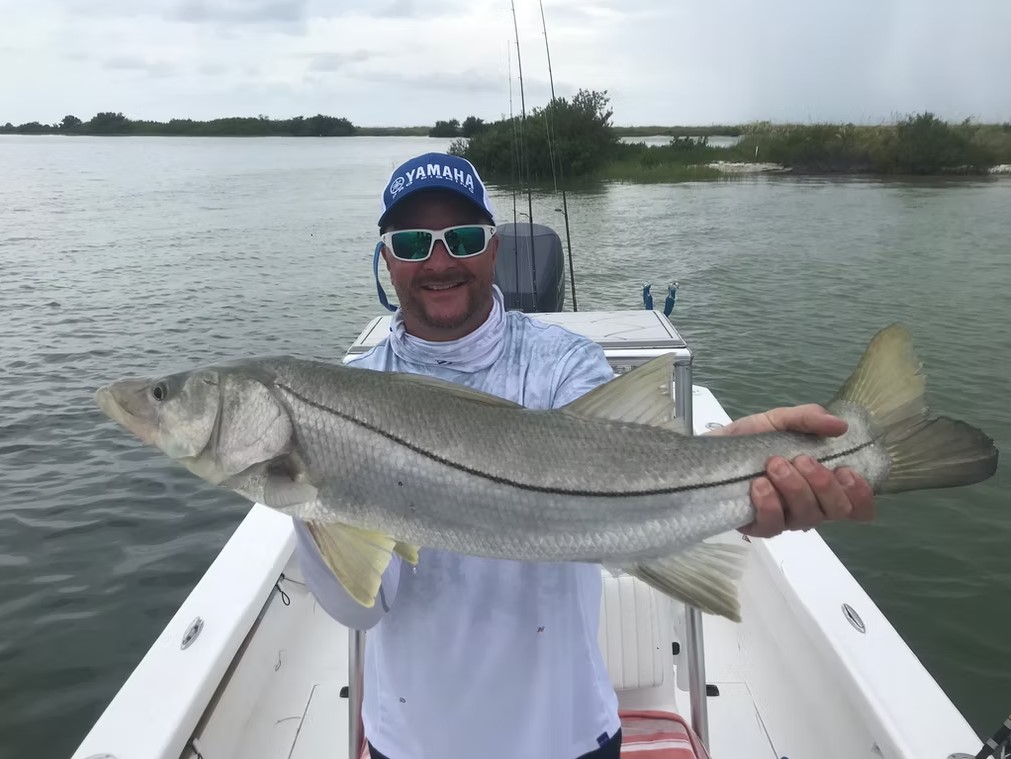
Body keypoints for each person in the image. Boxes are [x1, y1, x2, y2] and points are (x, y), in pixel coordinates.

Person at [292, 152, 875, 759]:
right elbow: (359, 609)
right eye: (412, 243)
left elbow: (616, 466)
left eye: (463, 238)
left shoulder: (563, 362)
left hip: (567, 734)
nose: (439, 261)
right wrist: (307, 481)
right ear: (386, 257)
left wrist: (731, 466)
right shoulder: (349, 393)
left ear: (495, 250)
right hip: (412, 740)